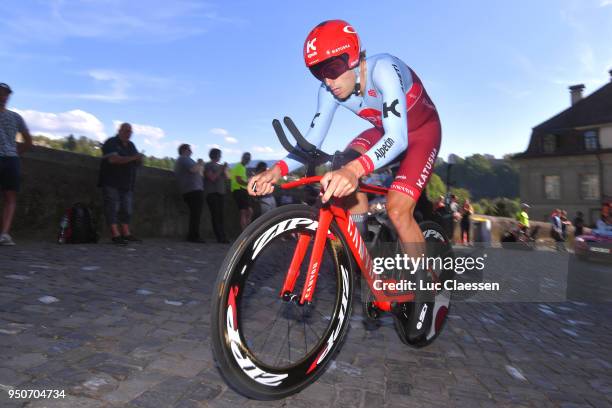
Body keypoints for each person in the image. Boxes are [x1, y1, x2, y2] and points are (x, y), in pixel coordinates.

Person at [247, 20, 442, 341]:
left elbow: (399, 137)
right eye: (317, 72)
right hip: (380, 131)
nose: (328, 79)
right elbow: (311, 143)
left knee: (397, 208)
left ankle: (426, 287)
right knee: (339, 163)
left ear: (354, 57)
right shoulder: (329, 90)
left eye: (334, 67)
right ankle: (367, 263)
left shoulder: (385, 69)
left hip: (419, 134)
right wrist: (275, 171)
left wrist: (355, 171)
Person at [98, 123, 143, 245]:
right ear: (119, 131)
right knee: (112, 208)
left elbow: (137, 162)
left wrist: (138, 159)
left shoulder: (131, 145)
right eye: (126, 131)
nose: (128, 133)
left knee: (126, 209)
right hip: (111, 181)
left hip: (127, 183)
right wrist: (134, 158)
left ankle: (126, 233)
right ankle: (115, 235)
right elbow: (113, 159)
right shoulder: (111, 142)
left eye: (130, 132)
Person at [0, 83, 33, 245]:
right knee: (9, 197)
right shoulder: (16, 117)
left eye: (5, 94)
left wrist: (14, 153)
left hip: (11, 159)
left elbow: (28, 141)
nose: (3, 97)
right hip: (11, 159)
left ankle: (4, 233)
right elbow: (28, 142)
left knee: (10, 197)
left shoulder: (15, 117)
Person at [175, 144, 205, 243]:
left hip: (192, 190)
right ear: (184, 150)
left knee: (195, 213)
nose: (191, 150)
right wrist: (200, 162)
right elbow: (193, 170)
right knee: (195, 214)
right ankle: (193, 236)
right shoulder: (184, 158)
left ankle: (193, 235)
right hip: (193, 190)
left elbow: (199, 173)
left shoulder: (184, 159)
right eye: (189, 149)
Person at [204, 148, 229, 243]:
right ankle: (220, 237)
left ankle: (222, 236)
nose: (221, 157)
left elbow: (227, 177)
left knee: (220, 216)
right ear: (216, 155)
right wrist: (221, 169)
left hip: (220, 194)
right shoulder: (208, 165)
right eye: (219, 155)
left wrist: (225, 170)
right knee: (216, 216)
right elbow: (211, 178)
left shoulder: (219, 166)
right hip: (212, 194)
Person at [230, 152, 252, 230]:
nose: (247, 160)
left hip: (240, 191)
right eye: (246, 158)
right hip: (239, 190)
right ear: (243, 158)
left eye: (248, 158)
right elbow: (239, 180)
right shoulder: (239, 167)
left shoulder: (241, 167)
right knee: (245, 212)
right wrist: (249, 183)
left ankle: (246, 232)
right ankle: (245, 233)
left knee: (247, 211)